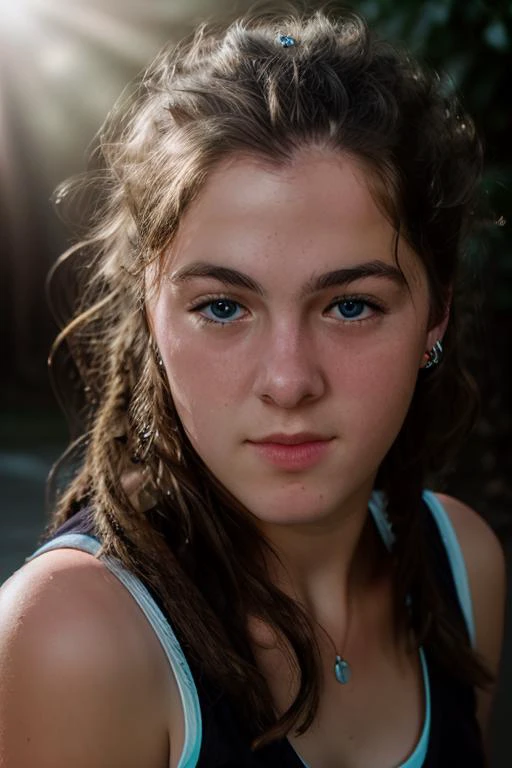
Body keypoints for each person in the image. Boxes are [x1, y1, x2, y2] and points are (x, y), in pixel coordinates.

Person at [0, 7, 506, 768]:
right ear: (152, 316)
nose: (289, 380)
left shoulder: (465, 569)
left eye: (350, 305)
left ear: (435, 315)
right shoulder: (75, 639)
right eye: (224, 307)